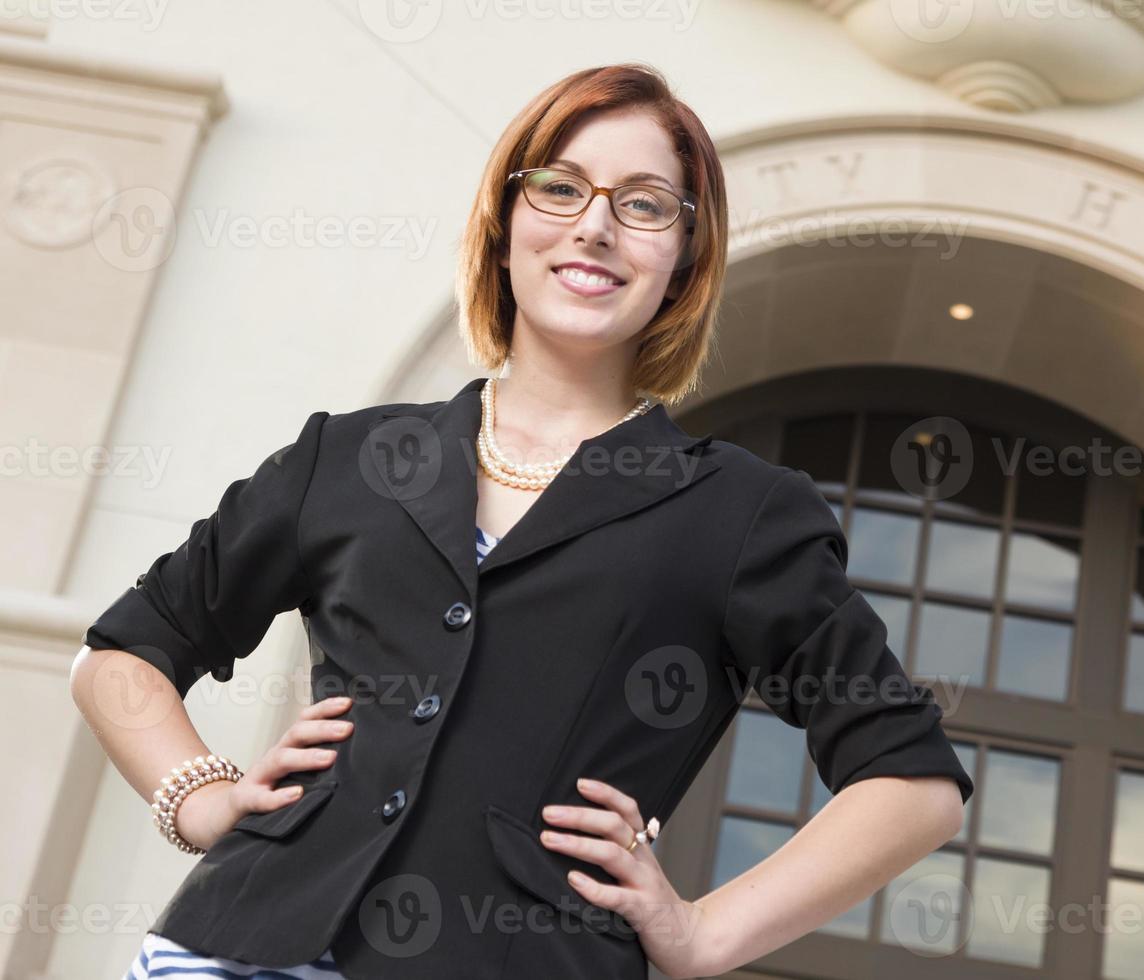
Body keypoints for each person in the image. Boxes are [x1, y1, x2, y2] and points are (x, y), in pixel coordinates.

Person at [74, 62, 973, 980]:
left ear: (685, 262)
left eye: (646, 205)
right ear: (506, 224)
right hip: (236, 950)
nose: (594, 225)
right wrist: (201, 796)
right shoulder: (346, 459)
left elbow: (913, 781)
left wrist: (704, 934)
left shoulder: (742, 515)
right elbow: (124, 651)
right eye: (560, 186)